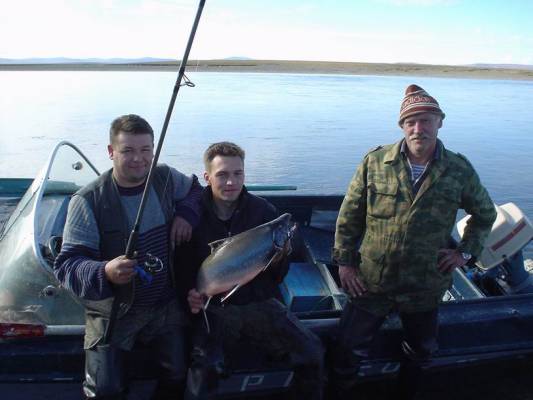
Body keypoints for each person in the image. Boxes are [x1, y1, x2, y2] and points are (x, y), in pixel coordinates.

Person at [331, 84, 497, 399]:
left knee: (420, 353)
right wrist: (346, 264)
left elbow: (485, 214)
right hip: (371, 280)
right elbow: (349, 215)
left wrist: (465, 253)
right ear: (402, 126)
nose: (418, 128)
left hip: (424, 283)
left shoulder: (459, 170)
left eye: (426, 120)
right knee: (346, 351)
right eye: (411, 121)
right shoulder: (375, 162)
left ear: (440, 122)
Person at [54, 114, 202, 400]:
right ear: (111, 151)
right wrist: (105, 271)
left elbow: (196, 190)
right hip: (115, 311)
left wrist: (186, 214)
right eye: (128, 150)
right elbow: (67, 265)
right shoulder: (87, 200)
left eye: (146, 150)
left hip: (165, 304)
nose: (138, 159)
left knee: (178, 373)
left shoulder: (165, 177)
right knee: (105, 390)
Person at [181, 141, 324, 400]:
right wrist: (189, 293)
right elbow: (180, 267)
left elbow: (277, 277)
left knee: (312, 351)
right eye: (222, 175)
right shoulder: (191, 215)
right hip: (213, 308)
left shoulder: (263, 211)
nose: (231, 182)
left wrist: (280, 257)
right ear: (207, 177)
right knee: (203, 370)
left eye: (238, 174)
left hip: (259, 302)